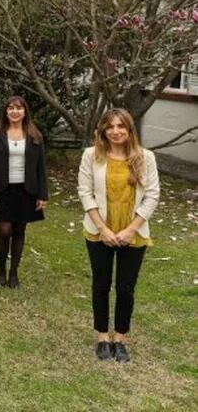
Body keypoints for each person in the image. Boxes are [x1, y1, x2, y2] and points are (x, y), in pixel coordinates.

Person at [78, 108, 160, 363]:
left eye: (121, 126)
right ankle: (103, 337)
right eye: (110, 127)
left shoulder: (145, 158)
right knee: (101, 285)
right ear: (103, 130)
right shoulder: (91, 155)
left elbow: (153, 195)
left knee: (126, 288)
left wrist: (130, 229)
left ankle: (120, 339)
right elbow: (85, 192)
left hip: (132, 232)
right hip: (99, 230)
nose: (115, 131)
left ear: (129, 129)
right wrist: (103, 229)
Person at [0, 96, 48, 288]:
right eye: (10, 108)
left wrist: (42, 195)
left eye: (19, 108)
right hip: (3, 189)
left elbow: (41, 168)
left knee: (19, 230)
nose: (14, 111)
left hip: (26, 190)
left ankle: (14, 273)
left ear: (25, 111)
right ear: (6, 111)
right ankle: (1, 269)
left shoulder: (35, 136)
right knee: (4, 230)